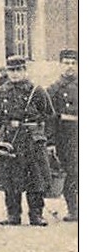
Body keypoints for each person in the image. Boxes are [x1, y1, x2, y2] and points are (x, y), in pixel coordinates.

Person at [0, 55, 57, 227]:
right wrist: (8, 128)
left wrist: (44, 137)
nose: (15, 74)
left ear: (25, 70)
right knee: (10, 179)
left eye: (19, 70)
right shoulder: (0, 91)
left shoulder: (37, 90)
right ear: (7, 71)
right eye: (12, 70)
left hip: (32, 140)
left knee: (35, 178)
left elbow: (49, 115)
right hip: (10, 140)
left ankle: (36, 215)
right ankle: (13, 214)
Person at [48, 50, 78, 222]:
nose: (70, 67)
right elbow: (49, 117)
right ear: (60, 65)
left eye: (73, 63)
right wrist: (51, 141)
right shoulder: (54, 89)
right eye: (66, 63)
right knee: (70, 172)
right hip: (64, 137)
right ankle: (74, 209)